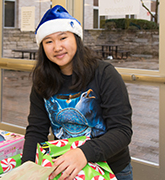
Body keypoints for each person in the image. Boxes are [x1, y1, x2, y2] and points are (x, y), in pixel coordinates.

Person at [21, 5, 133, 180]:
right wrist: (25, 169)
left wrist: (83, 153)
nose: (57, 47)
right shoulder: (42, 80)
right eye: (48, 41)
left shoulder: (104, 74)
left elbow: (122, 131)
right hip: (66, 169)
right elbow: (36, 130)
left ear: (76, 39)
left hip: (111, 168)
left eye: (63, 38)